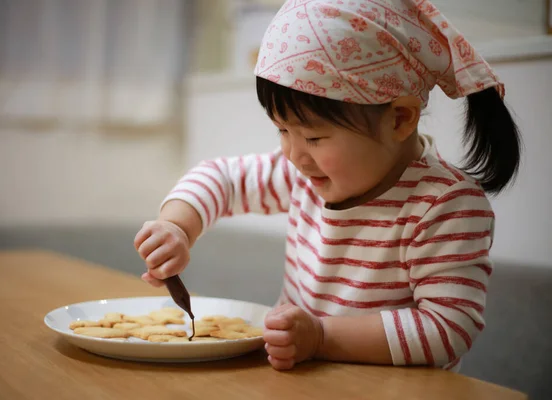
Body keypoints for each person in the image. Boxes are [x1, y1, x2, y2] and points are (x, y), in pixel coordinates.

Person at [134, 0, 521, 371]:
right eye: (282, 130)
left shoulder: (445, 207)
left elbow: (446, 329)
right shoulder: (304, 175)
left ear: (400, 119)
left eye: (314, 138)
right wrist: (178, 227)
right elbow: (223, 178)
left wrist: (320, 337)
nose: (293, 155)